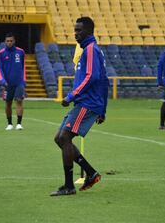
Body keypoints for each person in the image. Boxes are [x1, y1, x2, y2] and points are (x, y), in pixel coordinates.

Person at [51, 17, 109, 196]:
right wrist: (103, 109)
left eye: (79, 30)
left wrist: (71, 96)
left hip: (87, 102)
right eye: (74, 30)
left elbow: (92, 77)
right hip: (86, 102)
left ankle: (69, 186)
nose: (75, 33)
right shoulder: (89, 50)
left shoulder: (91, 50)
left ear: (89, 32)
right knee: (59, 138)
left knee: (64, 137)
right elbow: (104, 81)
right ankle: (90, 173)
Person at [0, 33, 26, 131]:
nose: (9, 42)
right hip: (7, 83)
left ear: (14, 41)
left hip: (19, 83)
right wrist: (2, 80)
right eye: (7, 41)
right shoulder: (1, 53)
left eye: (11, 41)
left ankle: (19, 123)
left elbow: (23, 67)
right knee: (8, 103)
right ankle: (9, 123)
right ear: (5, 42)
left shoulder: (20, 52)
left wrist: (24, 80)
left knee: (19, 101)